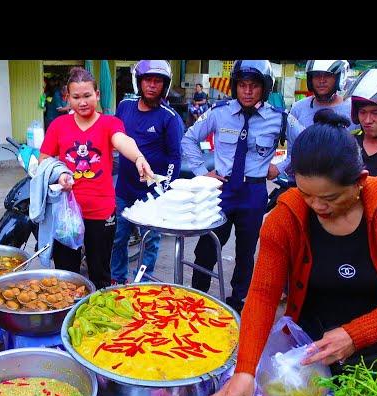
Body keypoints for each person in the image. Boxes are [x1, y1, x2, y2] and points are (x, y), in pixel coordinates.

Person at [202, 110, 377, 396]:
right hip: (312, 349)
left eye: (329, 197)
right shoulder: (285, 217)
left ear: (360, 182)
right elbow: (262, 294)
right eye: (306, 194)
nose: (317, 206)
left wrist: (355, 335)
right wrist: (246, 370)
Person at [181, 60, 302, 313]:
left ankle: (237, 303)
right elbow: (190, 139)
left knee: (246, 253)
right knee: (207, 247)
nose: (247, 91)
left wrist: (280, 167)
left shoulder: (279, 118)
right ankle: (196, 299)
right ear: (235, 86)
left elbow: (304, 144)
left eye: (254, 86)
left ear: (265, 88)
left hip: (254, 193)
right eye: (242, 85)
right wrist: (203, 173)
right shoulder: (219, 112)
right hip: (222, 192)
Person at [38, 67, 154, 289]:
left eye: (87, 95)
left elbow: (122, 141)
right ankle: (69, 317)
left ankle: (96, 318)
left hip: (101, 213)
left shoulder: (109, 123)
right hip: (67, 213)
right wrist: (60, 174)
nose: (82, 102)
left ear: (97, 95)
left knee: (99, 273)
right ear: (67, 98)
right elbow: (44, 161)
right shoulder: (58, 126)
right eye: (76, 97)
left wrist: (138, 157)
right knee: (66, 274)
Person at [111, 60, 184, 284]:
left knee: (150, 241)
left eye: (158, 81)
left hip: (151, 194)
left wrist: (162, 189)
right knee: (118, 238)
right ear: (139, 82)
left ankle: (143, 282)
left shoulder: (170, 118)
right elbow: (114, 137)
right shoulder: (124, 106)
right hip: (123, 189)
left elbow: (175, 158)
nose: (152, 85)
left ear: (165, 85)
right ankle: (117, 278)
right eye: (148, 80)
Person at [290, 60, 353, 131]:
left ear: (338, 78)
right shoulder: (298, 109)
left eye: (328, 75)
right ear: (310, 79)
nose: (322, 80)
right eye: (317, 75)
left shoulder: (352, 109)